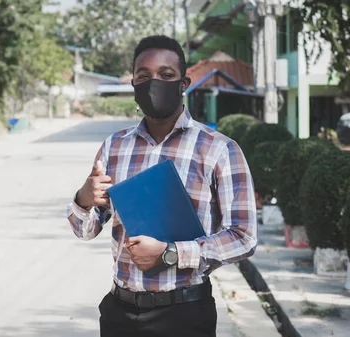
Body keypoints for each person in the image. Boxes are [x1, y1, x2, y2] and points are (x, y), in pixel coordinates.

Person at [66, 35, 257, 337]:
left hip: (185, 315)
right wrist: (83, 198)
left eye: (166, 75)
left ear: (184, 83)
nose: (154, 82)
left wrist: (171, 253)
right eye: (144, 76)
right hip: (120, 313)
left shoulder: (220, 149)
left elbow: (244, 237)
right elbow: (85, 230)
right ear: (133, 83)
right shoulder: (114, 147)